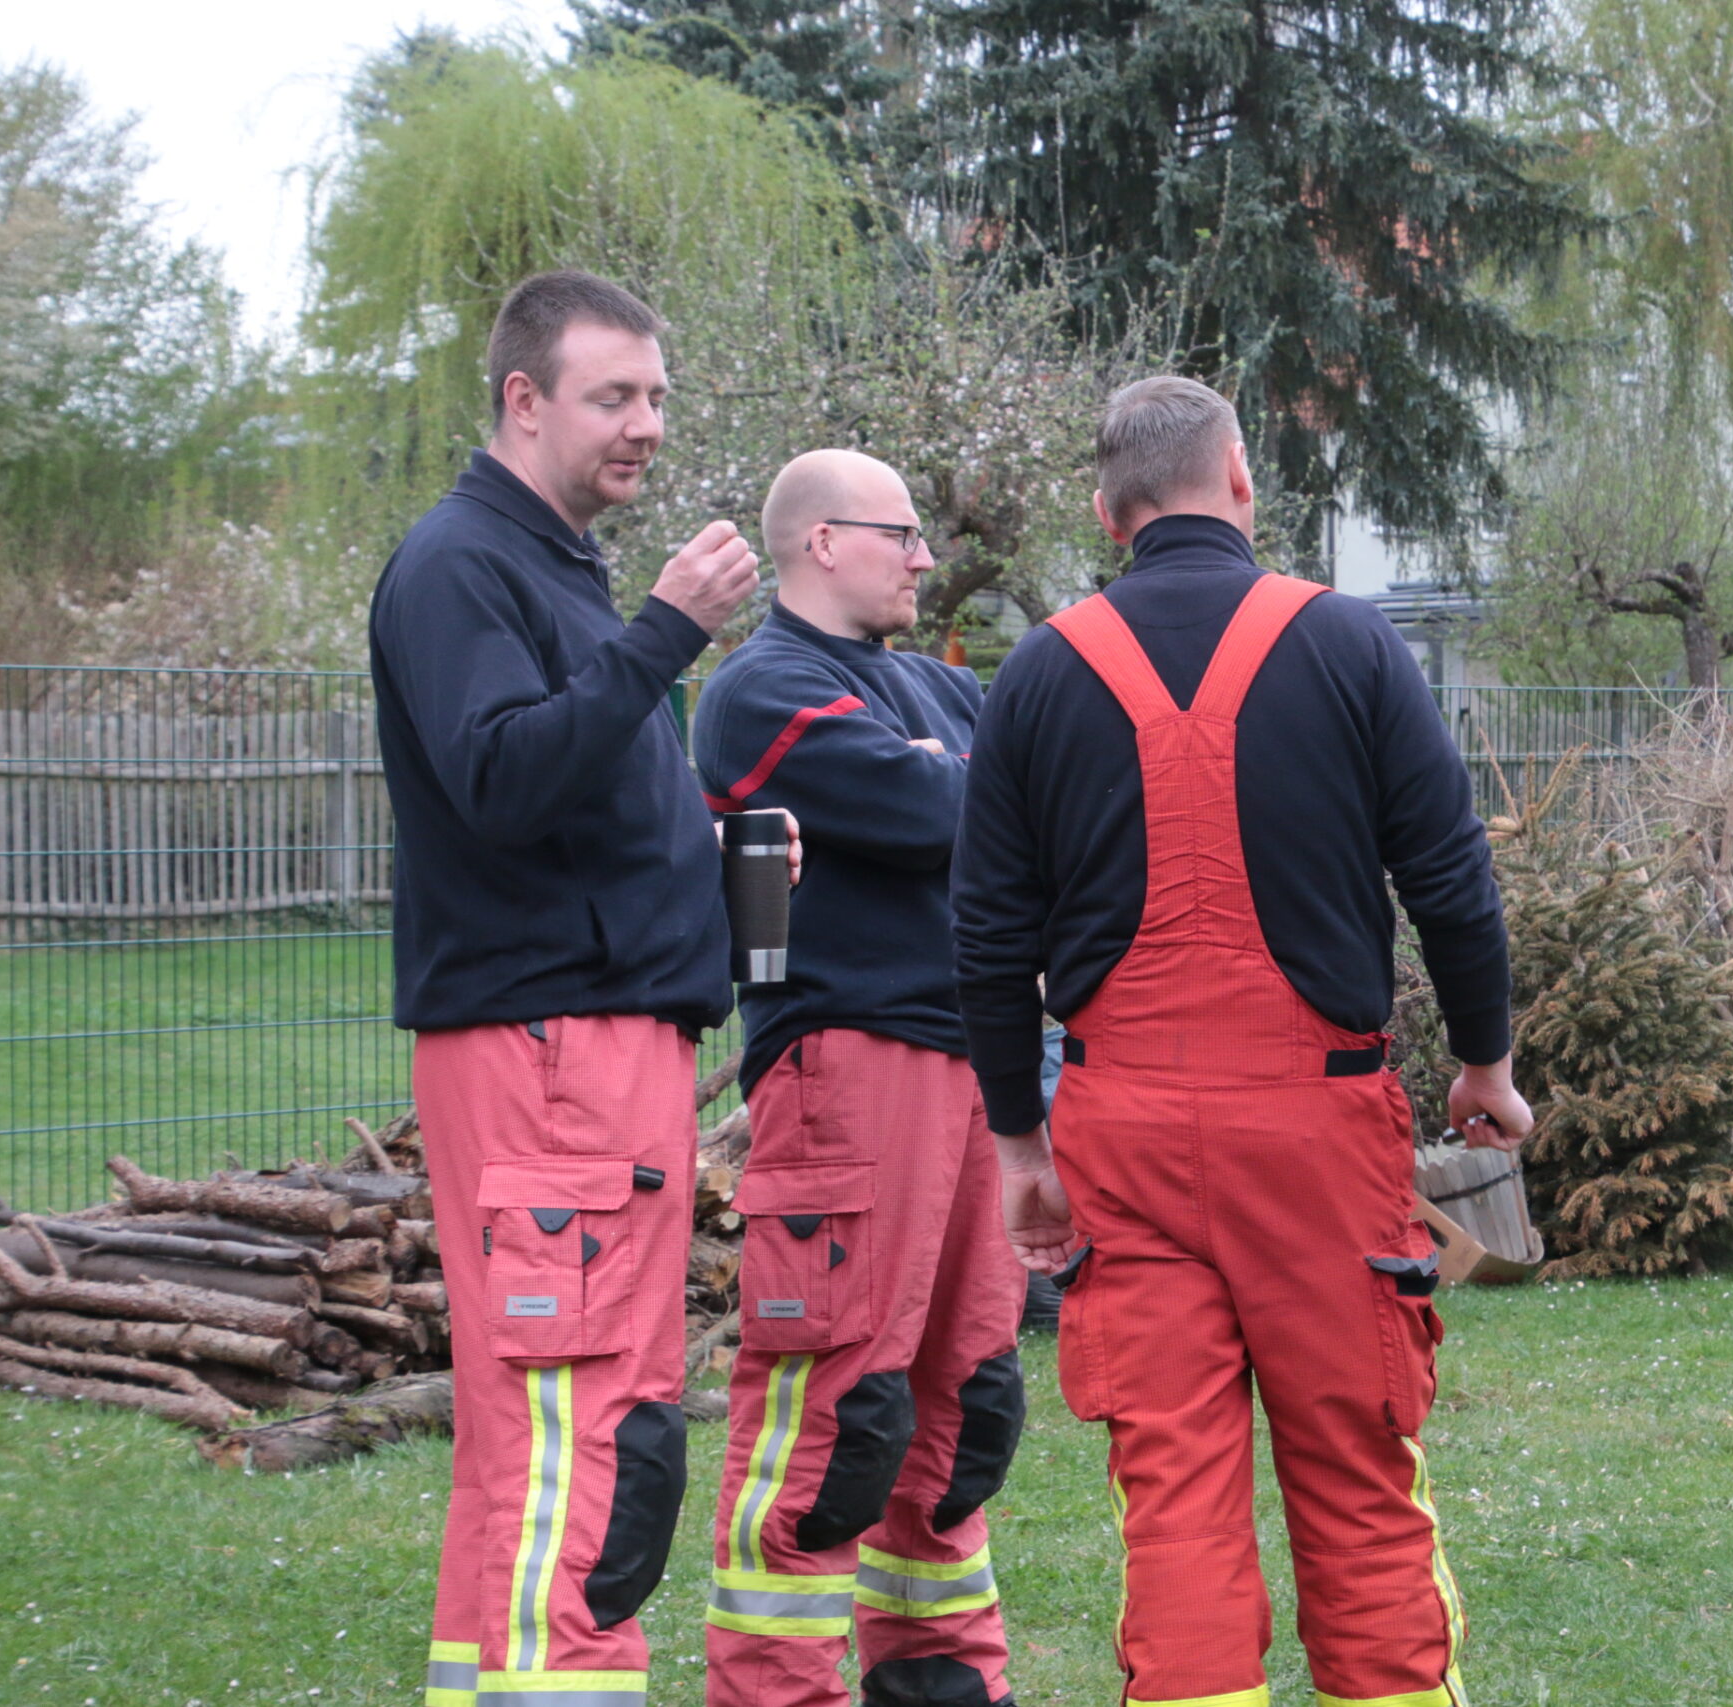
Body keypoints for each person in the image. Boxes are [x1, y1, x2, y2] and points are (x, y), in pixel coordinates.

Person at [951, 377, 1532, 1707]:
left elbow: (985, 939)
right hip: (1318, 1137)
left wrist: (1020, 1149)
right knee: (1359, 1484)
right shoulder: (1352, 644)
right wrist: (1485, 1064)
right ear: (1240, 478)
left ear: (1109, 511)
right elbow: (1451, 881)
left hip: (1122, 1141)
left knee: (1174, 1507)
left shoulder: (1038, 672)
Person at [370, 269, 793, 1707]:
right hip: (549, 1053)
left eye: (657, 396)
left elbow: (576, 795)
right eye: (614, 395)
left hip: (590, 1045)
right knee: (587, 1424)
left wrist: (712, 868)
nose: (647, 424)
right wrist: (667, 632)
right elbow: (500, 778)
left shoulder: (553, 565)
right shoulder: (460, 564)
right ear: (524, 398)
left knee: (535, 1429)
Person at [691, 449, 1028, 1707]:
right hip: (847, 1070)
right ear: (823, 541)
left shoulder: (937, 686)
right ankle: (777, 1689)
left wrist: (966, 779)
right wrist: (971, 786)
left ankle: (942, 1683)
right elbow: (950, 816)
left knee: (965, 1409)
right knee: (836, 1414)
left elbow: (1015, 808)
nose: (927, 557)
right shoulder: (761, 691)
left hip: (971, 1070)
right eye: (903, 534)